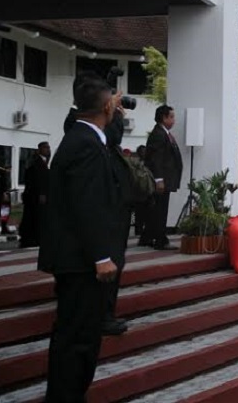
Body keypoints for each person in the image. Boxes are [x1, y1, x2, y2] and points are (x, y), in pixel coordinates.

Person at [37, 76, 123, 402]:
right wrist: (101, 256)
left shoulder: (82, 136)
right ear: (105, 106)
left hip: (74, 258)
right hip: (81, 261)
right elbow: (87, 205)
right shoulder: (86, 144)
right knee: (79, 339)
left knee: (75, 336)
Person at [140, 104, 183, 250]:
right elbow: (156, 159)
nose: (174, 120)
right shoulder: (158, 134)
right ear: (163, 118)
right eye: (171, 117)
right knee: (160, 210)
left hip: (166, 178)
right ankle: (160, 240)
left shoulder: (164, 133)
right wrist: (159, 179)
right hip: (161, 179)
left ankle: (146, 237)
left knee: (156, 209)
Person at [19, 142, 51, 248]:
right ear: (40, 149)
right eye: (46, 148)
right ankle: (29, 239)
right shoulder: (36, 162)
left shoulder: (44, 162)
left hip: (37, 195)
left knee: (38, 218)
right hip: (34, 195)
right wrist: (42, 193)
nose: (48, 150)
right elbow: (37, 179)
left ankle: (36, 238)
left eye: (48, 148)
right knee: (32, 218)